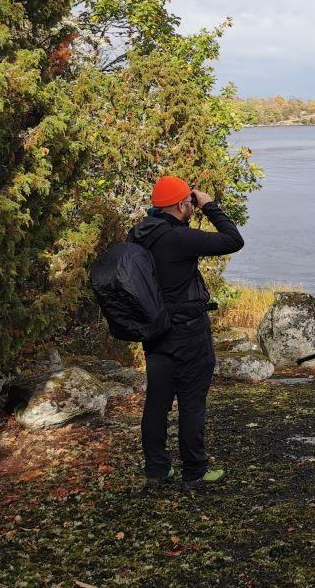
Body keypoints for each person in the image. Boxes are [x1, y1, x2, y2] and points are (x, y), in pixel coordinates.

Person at [128, 175, 244, 491]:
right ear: (182, 204)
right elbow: (233, 240)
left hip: (155, 331)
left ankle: (156, 469)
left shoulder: (139, 234)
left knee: (158, 401)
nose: (193, 206)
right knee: (192, 401)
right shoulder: (178, 239)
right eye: (190, 203)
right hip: (188, 331)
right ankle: (194, 471)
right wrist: (210, 206)